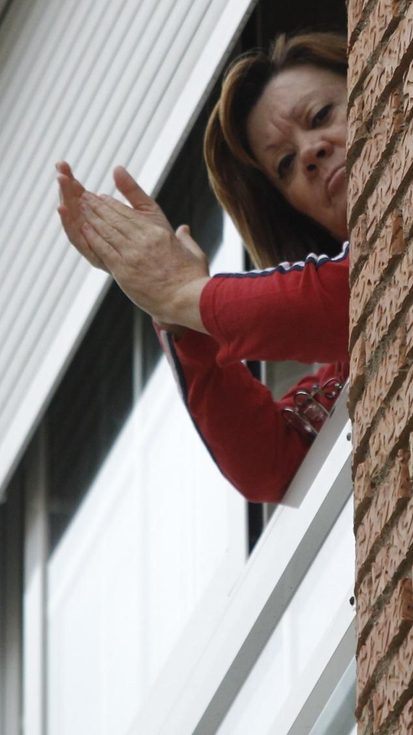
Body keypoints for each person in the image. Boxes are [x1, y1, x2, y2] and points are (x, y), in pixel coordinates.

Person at [54, 32, 351, 503]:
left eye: (321, 116)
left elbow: (353, 297)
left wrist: (183, 292)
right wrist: (181, 322)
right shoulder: (340, 368)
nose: (311, 152)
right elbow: (268, 465)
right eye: (286, 164)